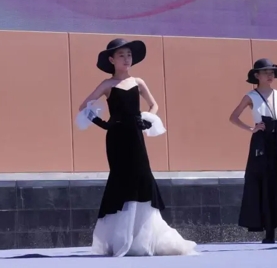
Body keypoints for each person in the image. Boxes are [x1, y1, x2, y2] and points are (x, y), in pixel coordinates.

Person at [76, 38, 197, 257]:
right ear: (112, 60)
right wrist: (102, 123)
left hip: (135, 135)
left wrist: (147, 119)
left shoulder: (138, 82)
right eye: (121, 55)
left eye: (129, 55)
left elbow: (154, 104)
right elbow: (83, 106)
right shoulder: (107, 84)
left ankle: (142, 237)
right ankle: (122, 238)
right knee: (121, 178)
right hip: (116, 137)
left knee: (142, 176)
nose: (126, 59)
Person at [229, 58, 277, 244]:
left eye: (272, 73)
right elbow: (233, 117)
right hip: (261, 141)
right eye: (265, 72)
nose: (270, 75)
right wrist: (251, 129)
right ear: (257, 75)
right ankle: (269, 231)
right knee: (264, 182)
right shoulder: (250, 96)